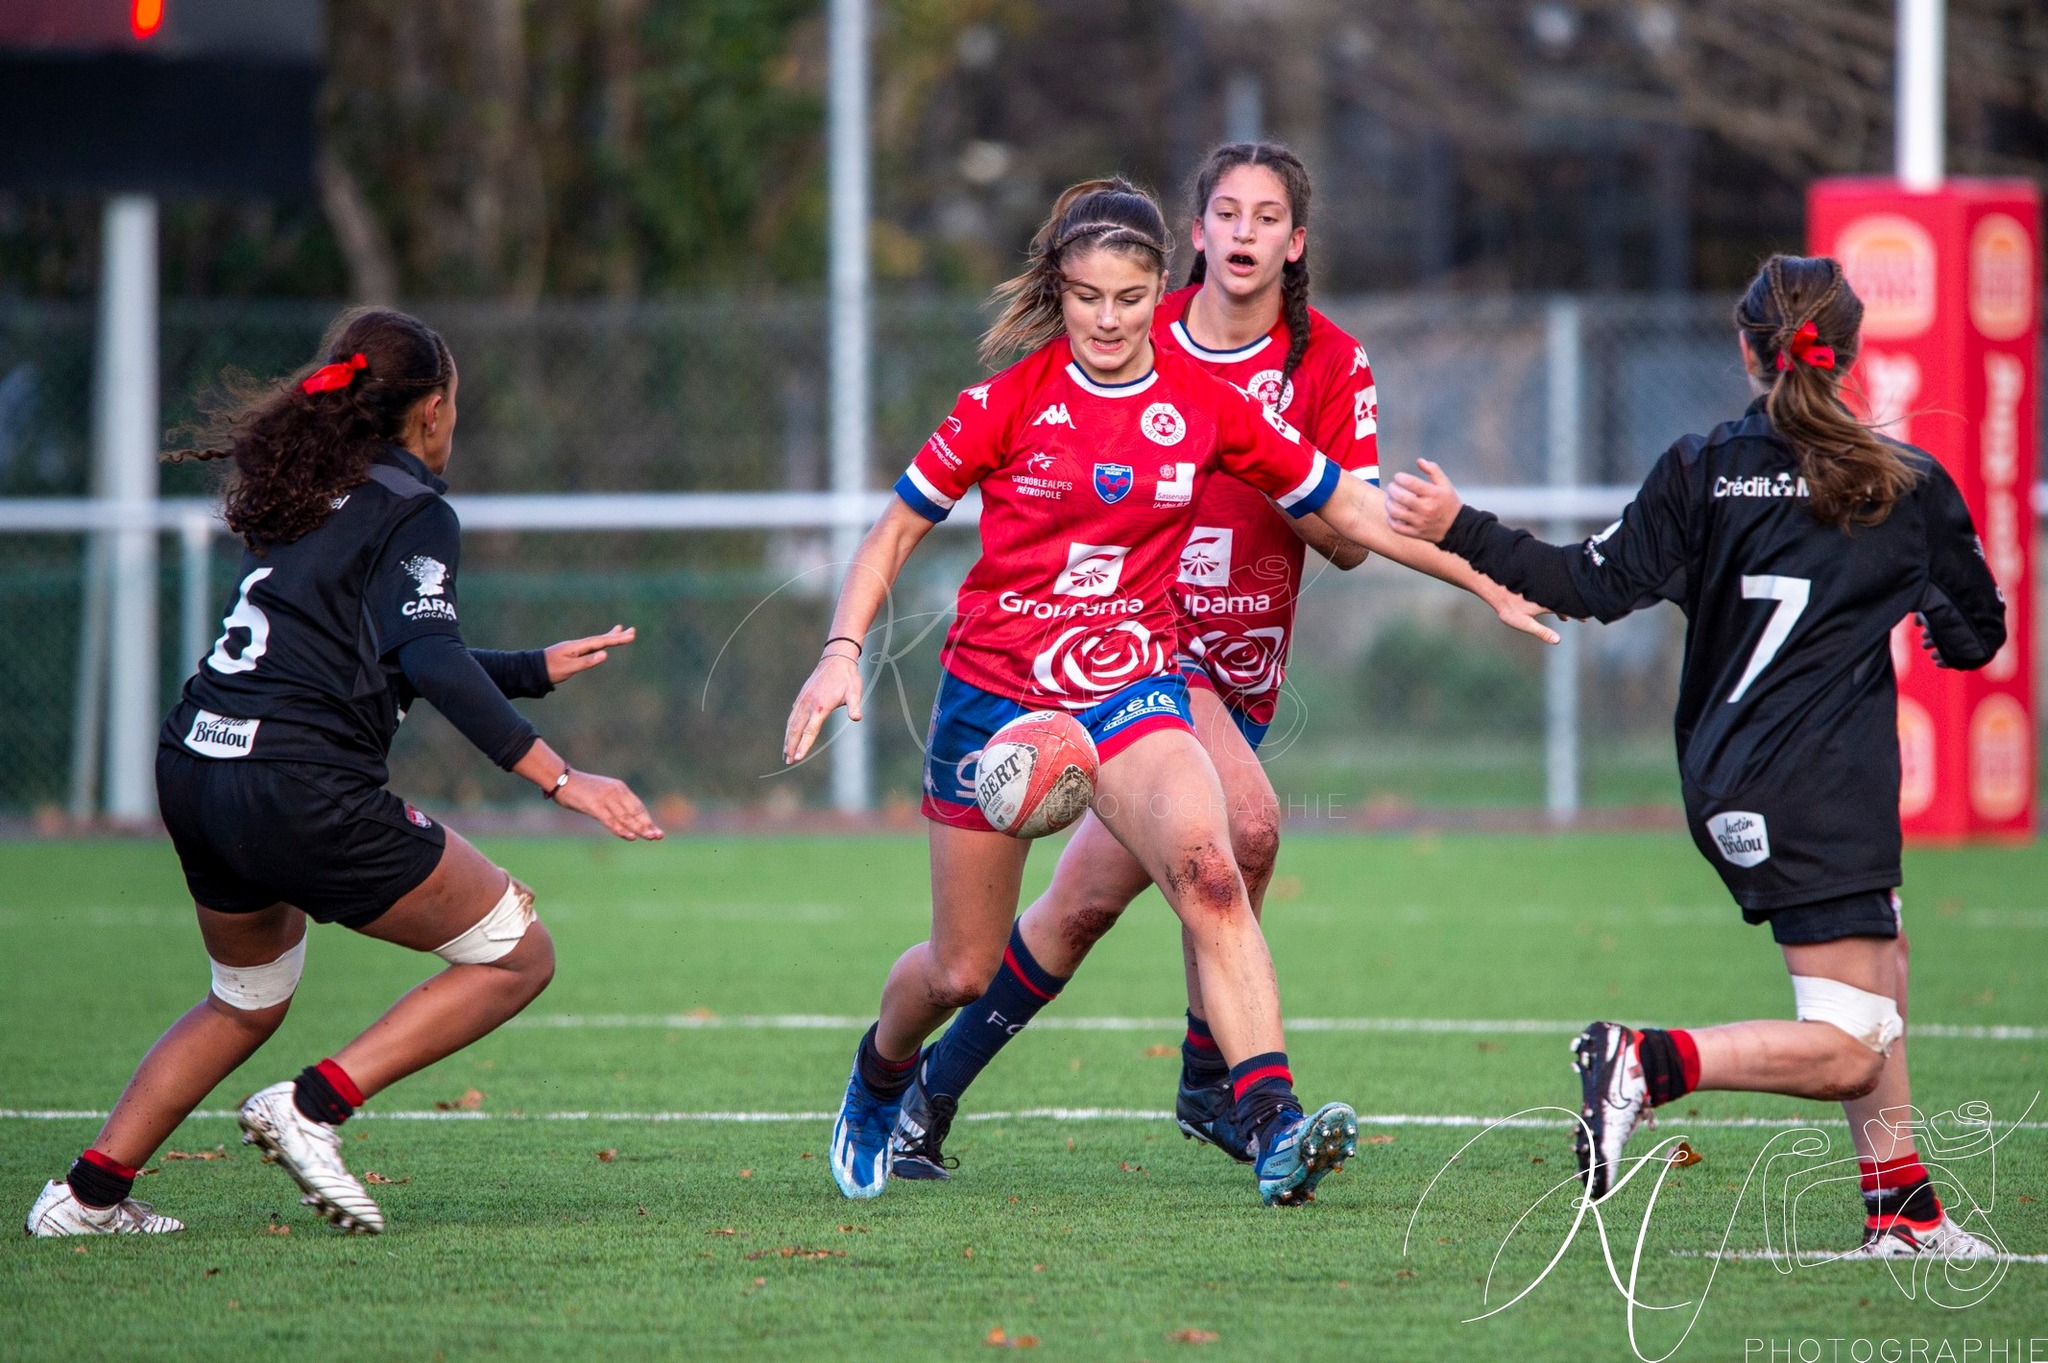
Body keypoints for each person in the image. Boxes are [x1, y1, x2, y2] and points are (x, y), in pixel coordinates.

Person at [784, 177, 1553, 1207]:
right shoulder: (1002, 405)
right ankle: (884, 1076)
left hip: (1132, 688)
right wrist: (841, 648)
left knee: (1214, 869)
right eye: (1086, 296)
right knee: (959, 969)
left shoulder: (1209, 408)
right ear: (1059, 291)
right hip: (998, 699)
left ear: (1160, 290)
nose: (1106, 318)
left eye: (1127, 297)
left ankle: (1270, 1123)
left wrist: (1485, 572)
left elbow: (1355, 516)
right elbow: (891, 535)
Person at [1386, 254, 2004, 1258]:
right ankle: (1644, 1061)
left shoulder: (1702, 467)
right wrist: (1929, 615)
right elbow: (1976, 632)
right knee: (1849, 1048)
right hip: (1820, 790)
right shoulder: (1905, 484)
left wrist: (1461, 526)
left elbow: (1583, 583)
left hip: (1732, 779)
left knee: (1880, 978)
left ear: (1743, 348)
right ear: (1848, 353)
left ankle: (1902, 1211)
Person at [24, 307, 662, 1238]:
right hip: (295, 780)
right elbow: (427, 657)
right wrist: (565, 779)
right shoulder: (416, 506)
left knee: (244, 999)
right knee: (518, 955)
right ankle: (314, 1108)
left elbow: (381, 647)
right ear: (433, 409)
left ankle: (83, 1198)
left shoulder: (305, 485)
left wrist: (529, 668)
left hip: (198, 760)